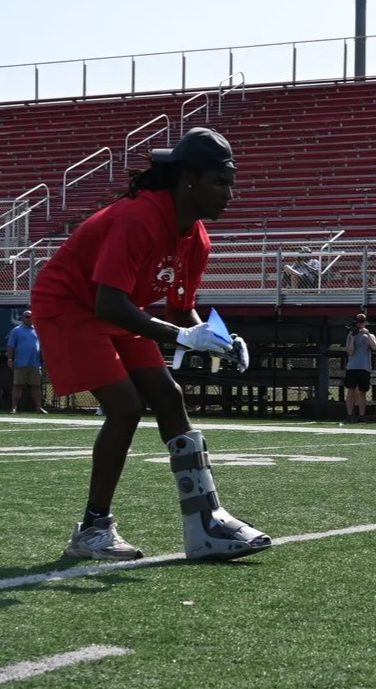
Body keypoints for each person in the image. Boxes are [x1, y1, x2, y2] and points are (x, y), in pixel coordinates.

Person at [30, 127, 269, 562]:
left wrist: (219, 340)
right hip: (70, 305)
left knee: (168, 395)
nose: (229, 194)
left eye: (230, 182)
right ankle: (93, 529)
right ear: (188, 180)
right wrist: (183, 336)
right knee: (125, 405)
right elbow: (108, 303)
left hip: (119, 308)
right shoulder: (139, 218)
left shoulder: (197, 238)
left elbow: (182, 310)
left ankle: (205, 522)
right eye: (219, 182)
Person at [7, 309, 48, 414]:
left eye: (31, 317)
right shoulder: (16, 330)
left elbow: (42, 347)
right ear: (23, 318)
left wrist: (44, 360)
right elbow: (11, 346)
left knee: (36, 386)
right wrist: (10, 359)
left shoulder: (37, 330)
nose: (29, 319)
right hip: (20, 363)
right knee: (18, 385)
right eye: (27, 317)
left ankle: (38, 408)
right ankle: (14, 407)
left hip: (35, 363)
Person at [343, 313, 376, 423]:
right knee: (350, 391)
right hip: (352, 368)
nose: (360, 324)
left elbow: (374, 347)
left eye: (362, 322)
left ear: (366, 323)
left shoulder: (370, 335)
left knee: (362, 392)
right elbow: (350, 352)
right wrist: (352, 339)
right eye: (358, 322)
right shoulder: (350, 335)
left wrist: (367, 335)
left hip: (364, 368)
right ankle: (349, 415)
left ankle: (361, 416)